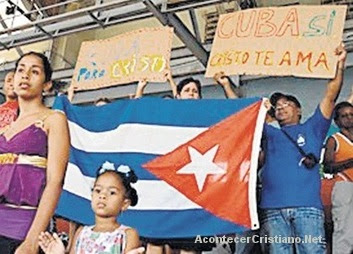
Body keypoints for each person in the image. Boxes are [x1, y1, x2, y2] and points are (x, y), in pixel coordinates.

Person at [259, 44, 346, 254]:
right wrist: (225, 84)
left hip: (307, 207)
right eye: (276, 106)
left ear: (298, 109)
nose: (280, 107)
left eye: (286, 103)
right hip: (272, 210)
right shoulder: (269, 133)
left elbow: (330, 95)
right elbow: (243, 115)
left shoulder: (313, 127)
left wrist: (340, 64)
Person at [0, 52, 70, 254]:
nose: (25, 75)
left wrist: (31, 242)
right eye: (21, 69)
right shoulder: (5, 126)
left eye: (35, 71)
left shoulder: (54, 119)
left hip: (23, 229)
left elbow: (55, 181)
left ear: (47, 84)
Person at [38, 161, 144, 254]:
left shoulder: (127, 234)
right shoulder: (81, 232)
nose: (102, 196)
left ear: (125, 203)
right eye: (98, 190)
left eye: (112, 192)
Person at [323, 101, 353, 254]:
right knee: (344, 231)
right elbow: (327, 167)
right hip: (344, 185)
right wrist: (350, 162)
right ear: (337, 120)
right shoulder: (334, 139)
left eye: (351, 115)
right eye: (344, 116)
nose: (349, 118)